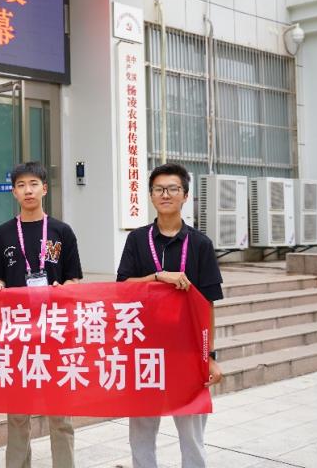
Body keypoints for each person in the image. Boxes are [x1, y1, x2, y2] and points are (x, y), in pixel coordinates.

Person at [116, 163, 224, 468]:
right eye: (159, 189)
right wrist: (157, 276)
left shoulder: (201, 244)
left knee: (191, 433)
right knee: (141, 430)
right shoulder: (137, 240)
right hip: (143, 348)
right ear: (151, 195)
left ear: (185, 195)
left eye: (173, 188)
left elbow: (209, 304)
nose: (166, 194)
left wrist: (210, 356)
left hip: (187, 351)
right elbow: (122, 287)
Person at [0, 162, 81, 468]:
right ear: (13, 192)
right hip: (17, 331)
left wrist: (63, 288)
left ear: (44, 189)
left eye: (33, 184)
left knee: (60, 414)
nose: (27, 190)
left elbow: (74, 279)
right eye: (21, 185)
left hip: (55, 331)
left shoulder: (61, 231)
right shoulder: (2, 234)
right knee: (17, 413)